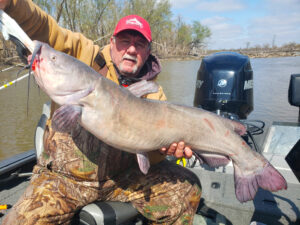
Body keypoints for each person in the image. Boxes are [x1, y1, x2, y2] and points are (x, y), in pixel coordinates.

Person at [1, 0, 202, 224]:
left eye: (140, 44)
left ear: (148, 51)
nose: (131, 49)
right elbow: (45, 28)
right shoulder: (85, 55)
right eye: (125, 41)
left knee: (188, 187)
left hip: (123, 180)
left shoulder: (155, 96)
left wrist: (165, 149)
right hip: (65, 178)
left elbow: (151, 157)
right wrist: (12, 4)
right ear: (112, 42)